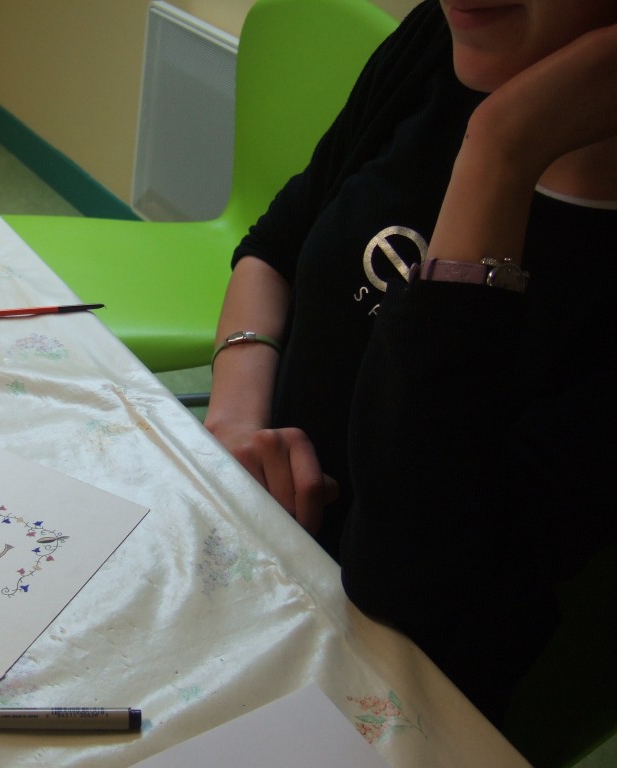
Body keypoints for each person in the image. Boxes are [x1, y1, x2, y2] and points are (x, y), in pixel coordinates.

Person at [204, 0, 617, 731]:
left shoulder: (497, 106)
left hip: (403, 674)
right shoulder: (445, 36)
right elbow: (279, 240)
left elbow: (406, 579)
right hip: (263, 548)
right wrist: (237, 415)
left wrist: (500, 150)